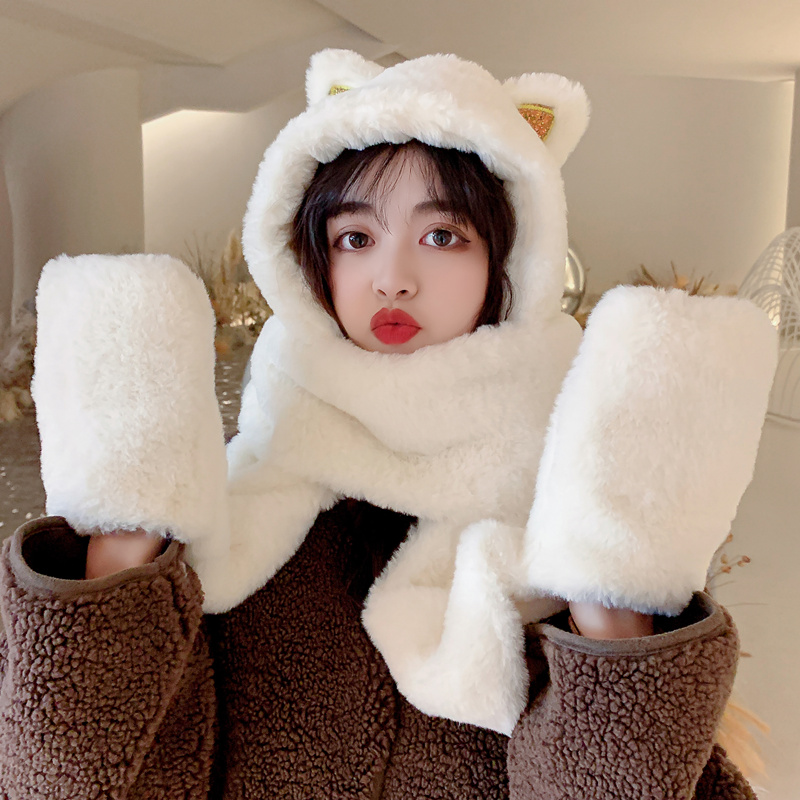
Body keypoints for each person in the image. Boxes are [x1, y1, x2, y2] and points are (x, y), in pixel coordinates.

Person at [0, 50, 775, 798]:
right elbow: (68, 781)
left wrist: (612, 620)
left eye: (442, 236)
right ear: (310, 261)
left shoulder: (571, 523)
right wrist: (120, 553)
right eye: (355, 238)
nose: (392, 279)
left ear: (511, 261)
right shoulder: (232, 524)